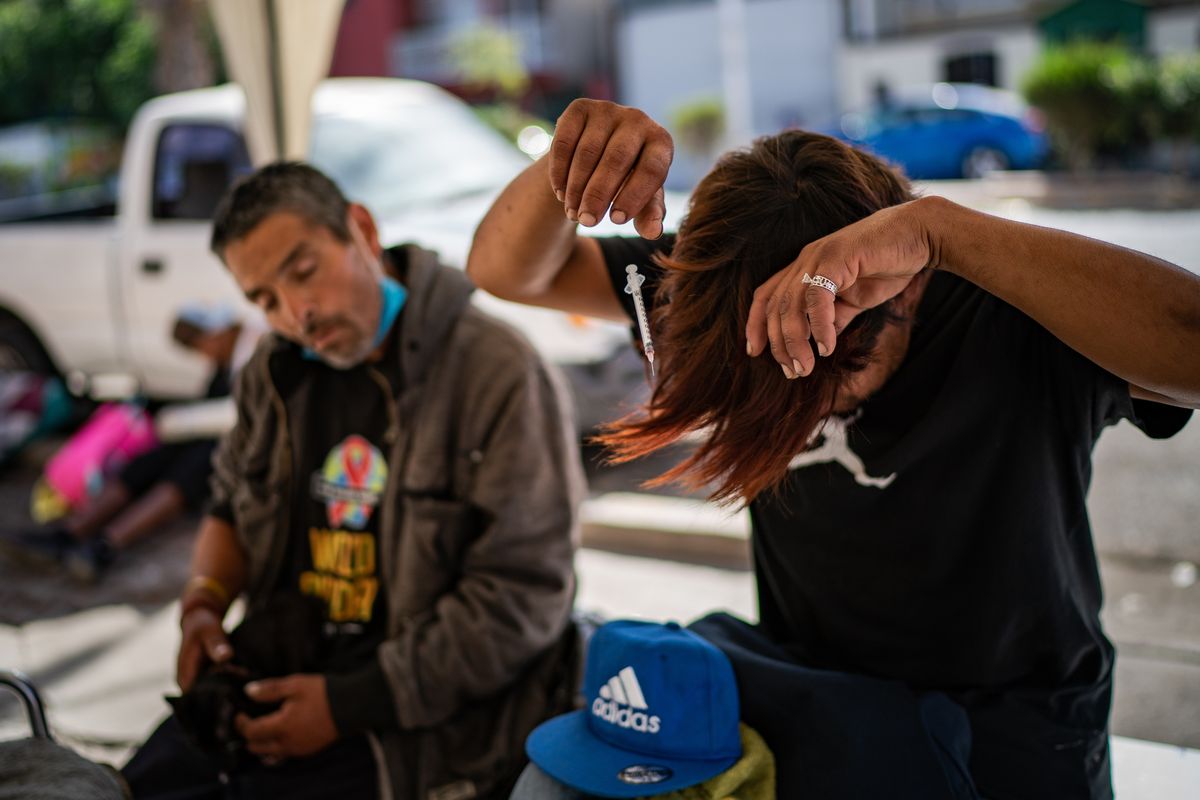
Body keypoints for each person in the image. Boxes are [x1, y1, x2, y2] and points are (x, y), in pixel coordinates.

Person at [467, 99, 1199, 799]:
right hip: (819, 708)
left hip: (1015, 734)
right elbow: (506, 272)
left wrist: (945, 231)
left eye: (826, 366)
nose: (801, 406)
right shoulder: (709, 289)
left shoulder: (1007, 315)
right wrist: (564, 165)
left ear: (906, 294)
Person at [121, 162, 585, 800]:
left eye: (303, 272)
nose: (296, 314)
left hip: (427, 724)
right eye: (264, 300)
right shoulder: (273, 373)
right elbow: (229, 502)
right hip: (285, 673)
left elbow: (523, 602)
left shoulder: (497, 372)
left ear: (361, 231)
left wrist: (345, 704)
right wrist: (203, 603)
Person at [0, 308, 244, 583]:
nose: (203, 354)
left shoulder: (251, 355)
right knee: (146, 463)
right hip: (199, 437)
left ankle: (104, 546)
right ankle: (68, 533)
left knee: (187, 472)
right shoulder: (222, 365)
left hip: (226, 448)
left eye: (201, 344)